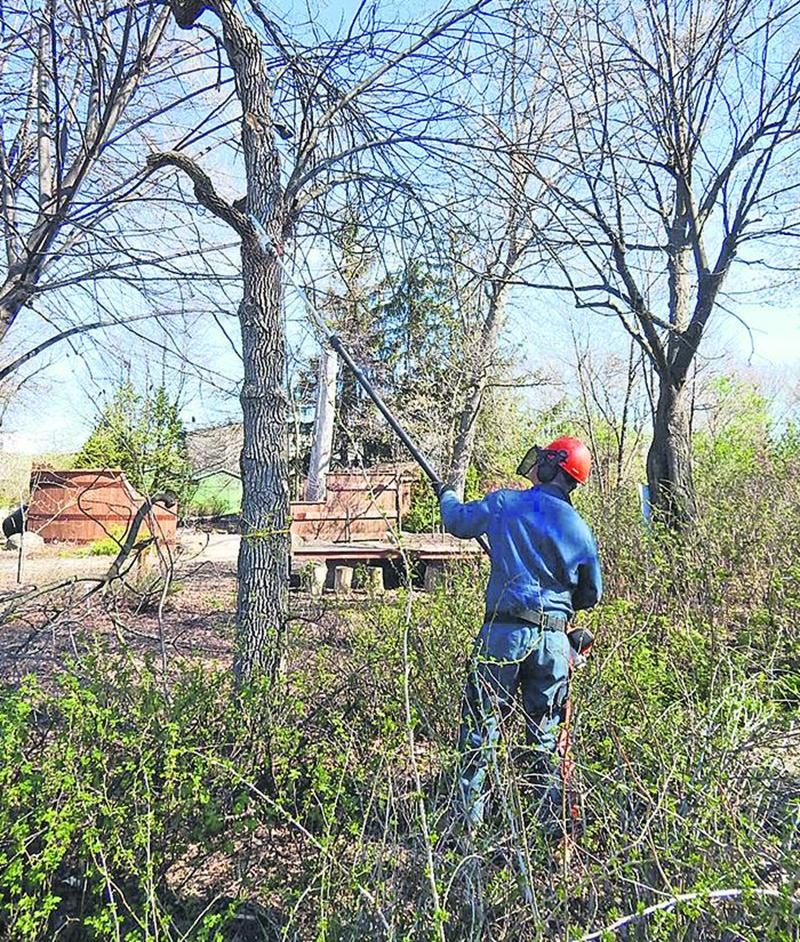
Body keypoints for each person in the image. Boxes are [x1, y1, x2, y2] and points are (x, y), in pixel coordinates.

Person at [437, 436, 602, 835]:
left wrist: (446, 494)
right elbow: (590, 594)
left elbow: (457, 521)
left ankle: (469, 830)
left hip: (504, 635)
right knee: (545, 738)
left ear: (553, 466)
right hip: (554, 644)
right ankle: (547, 830)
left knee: (481, 730)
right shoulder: (580, 529)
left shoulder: (505, 503)